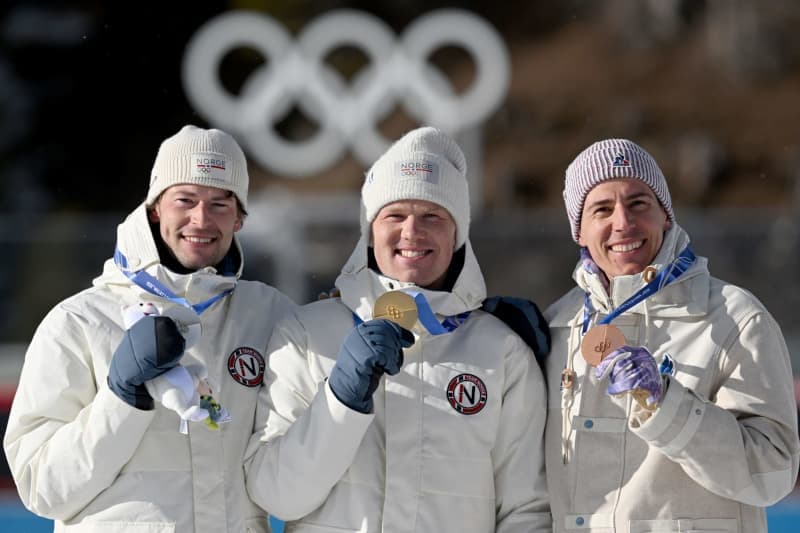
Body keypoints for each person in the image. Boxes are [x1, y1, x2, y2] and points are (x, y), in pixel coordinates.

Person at [243, 127, 552, 532]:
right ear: (370, 231)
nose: (411, 231)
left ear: (457, 234)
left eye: (432, 216)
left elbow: (526, 511)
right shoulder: (306, 334)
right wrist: (339, 400)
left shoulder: (502, 351)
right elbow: (277, 495)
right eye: (394, 215)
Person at [3, 125, 295, 532]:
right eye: (185, 200)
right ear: (155, 208)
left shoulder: (270, 315)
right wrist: (121, 398)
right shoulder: (78, 322)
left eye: (219, 203)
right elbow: (43, 489)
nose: (201, 219)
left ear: (240, 218)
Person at [543, 138, 800, 532]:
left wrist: (668, 406)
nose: (623, 223)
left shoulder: (735, 319)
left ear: (665, 215)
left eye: (638, 203)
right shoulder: (557, 327)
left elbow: (773, 474)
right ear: (579, 230)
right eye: (602, 209)